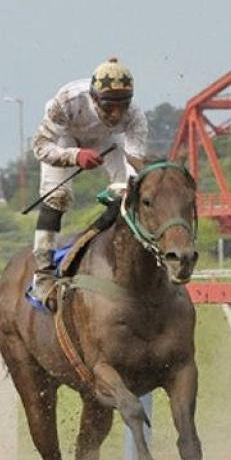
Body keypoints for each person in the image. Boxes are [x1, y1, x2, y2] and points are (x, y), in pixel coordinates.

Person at [28, 58, 148, 306]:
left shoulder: (136, 115)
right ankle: (43, 274)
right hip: (64, 138)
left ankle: (127, 259)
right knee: (58, 197)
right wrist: (74, 155)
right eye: (109, 106)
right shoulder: (67, 100)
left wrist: (126, 188)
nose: (116, 114)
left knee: (129, 192)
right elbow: (40, 147)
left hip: (107, 141)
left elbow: (135, 162)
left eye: (122, 105)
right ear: (94, 98)